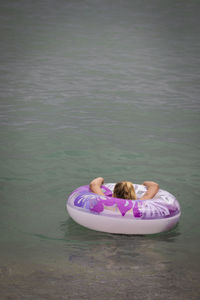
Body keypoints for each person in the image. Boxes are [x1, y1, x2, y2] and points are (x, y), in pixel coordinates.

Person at [89, 177, 159, 200]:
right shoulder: (140, 203)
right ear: (133, 193)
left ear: (114, 193)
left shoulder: (105, 200)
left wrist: (101, 179)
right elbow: (154, 186)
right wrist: (143, 184)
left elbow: (94, 184)